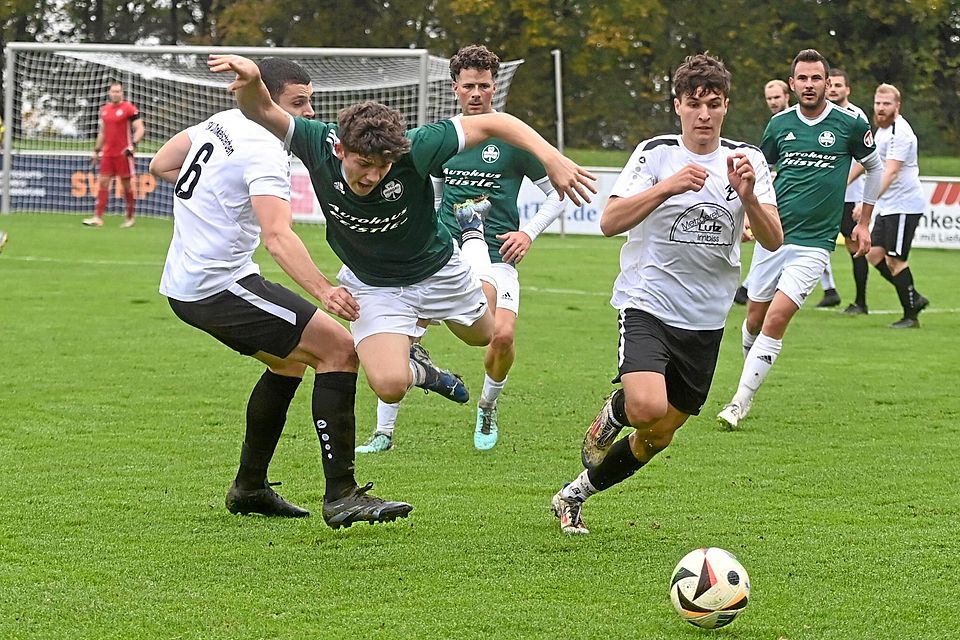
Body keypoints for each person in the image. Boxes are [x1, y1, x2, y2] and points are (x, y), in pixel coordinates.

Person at [207, 54, 596, 451]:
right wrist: (254, 78)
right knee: (390, 386)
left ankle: (475, 248)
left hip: (438, 271)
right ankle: (424, 370)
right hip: (374, 284)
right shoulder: (315, 141)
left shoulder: (419, 146)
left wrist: (551, 156)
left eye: (383, 167)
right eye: (363, 165)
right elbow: (260, 108)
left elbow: (497, 122)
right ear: (340, 149)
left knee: (485, 337)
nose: (372, 176)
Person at [150, 57, 413, 528]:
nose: (309, 112)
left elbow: (162, 163)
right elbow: (278, 237)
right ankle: (342, 495)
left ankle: (249, 487)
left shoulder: (223, 121)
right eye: (298, 102)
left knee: (289, 362)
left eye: (310, 100)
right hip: (218, 285)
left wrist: (216, 197)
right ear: (268, 100)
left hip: (191, 281)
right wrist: (323, 290)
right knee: (338, 349)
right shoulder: (265, 149)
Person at [550, 53, 783, 535]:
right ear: (677, 106)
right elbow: (609, 222)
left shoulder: (748, 161)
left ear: (726, 107)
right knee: (646, 408)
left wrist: (749, 198)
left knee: (659, 435)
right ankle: (617, 410)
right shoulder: (656, 154)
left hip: (706, 318)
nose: (704, 114)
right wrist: (669, 187)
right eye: (694, 104)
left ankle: (574, 494)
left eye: (713, 104)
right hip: (648, 302)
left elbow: (773, 238)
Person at [357, 44, 567, 454]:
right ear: (455, 88)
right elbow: (432, 198)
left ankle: (487, 406)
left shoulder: (513, 140)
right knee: (400, 333)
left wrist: (528, 233)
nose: (476, 93)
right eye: (468, 85)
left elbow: (557, 195)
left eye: (484, 86)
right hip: (440, 257)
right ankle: (384, 432)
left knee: (501, 336)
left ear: (494, 88)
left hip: (496, 256)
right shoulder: (443, 139)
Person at [716, 49, 883, 430]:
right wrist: (748, 218)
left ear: (828, 83)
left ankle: (739, 402)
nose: (810, 85)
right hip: (773, 238)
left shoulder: (850, 124)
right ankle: (749, 376)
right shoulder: (778, 125)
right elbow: (761, 173)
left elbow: (874, 167)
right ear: (792, 85)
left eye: (816, 78)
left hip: (814, 243)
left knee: (776, 318)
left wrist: (864, 222)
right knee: (754, 319)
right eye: (802, 79)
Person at [742, 78, 842, 308]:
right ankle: (829, 289)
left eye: (777, 97)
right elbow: (766, 163)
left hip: (820, 199)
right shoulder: (777, 124)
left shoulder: (806, 121)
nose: (773, 102)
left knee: (805, 241)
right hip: (783, 198)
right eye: (769, 99)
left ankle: (749, 286)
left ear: (788, 95)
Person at [849, 83, 929, 328]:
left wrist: (866, 203)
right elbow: (868, 161)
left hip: (904, 205)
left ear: (897, 106)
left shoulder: (900, 133)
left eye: (887, 104)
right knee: (874, 254)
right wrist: (844, 182)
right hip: (890, 205)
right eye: (878, 103)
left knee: (895, 260)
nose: (881, 108)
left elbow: (891, 171)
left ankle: (911, 314)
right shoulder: (881, 130)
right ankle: (914, 296)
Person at [827, 69, 872, 315]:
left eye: (838, 85)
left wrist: (843, 180)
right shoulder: (822, 115)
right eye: (830, 85)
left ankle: (861, 301)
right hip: (826, 195)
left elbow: (867, 159)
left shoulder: (857, 116)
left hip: (849, 196)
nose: (833, 89)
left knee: (854, 247)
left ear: (848, 90)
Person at [83, 81, 145, 228]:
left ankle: (130, 218)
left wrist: (133, 145)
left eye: (118, 91)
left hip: (123, 154)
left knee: (126, 185)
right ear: (109, 93)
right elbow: (103, 132)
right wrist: (96, 151)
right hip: (108, 154)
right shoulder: (104, 110)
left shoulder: (129, 108)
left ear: (122, 93)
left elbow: (140, 128)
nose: (116, 94)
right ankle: (98, 217)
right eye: (113, 91)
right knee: (103, 182)